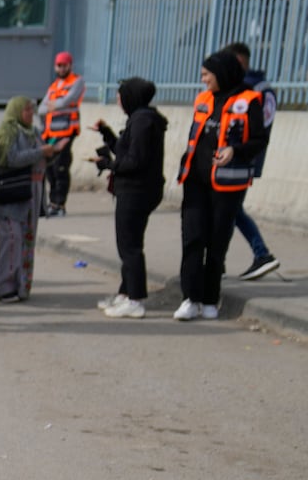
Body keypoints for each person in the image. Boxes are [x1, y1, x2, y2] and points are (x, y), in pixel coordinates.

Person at [172, 50, 266, 321]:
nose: (203, 81)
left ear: (222, 73)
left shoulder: (249, 100)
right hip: (195, 181)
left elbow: (259, 140)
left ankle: (211, 299)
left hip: (227, 184)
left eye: (206, 75)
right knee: (192, 239)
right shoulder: (203, 99)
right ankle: (190, 298)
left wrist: (235, 151)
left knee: (216, 242)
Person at [91, 77, 168, 319]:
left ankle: (135, 300)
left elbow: (135, 161)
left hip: (137, 190)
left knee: (130, 246)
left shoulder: (143, 121)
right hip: (134, 189)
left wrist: (109, 164)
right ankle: (125, 293)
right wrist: (107, 135)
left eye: (120, 94)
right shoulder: (139, 119)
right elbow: (126, 151)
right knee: (127, 243)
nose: (118, 99)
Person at [219, 42, 281, 281]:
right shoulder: (245, 88)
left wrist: (238, 150)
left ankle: (261, 253)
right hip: (235, 159)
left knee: (231, 210)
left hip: (242, 160)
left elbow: (257, 130)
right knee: (229, 210)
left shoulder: (255, 91)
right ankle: (219, 261)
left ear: (240, 62)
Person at [0, 96, 55, 302]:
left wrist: (51, 152)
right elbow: (11, 158)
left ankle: (22, 285)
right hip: (9, 191)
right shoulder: (7, 132)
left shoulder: (33, 131)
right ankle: (4, 286)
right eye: (26, 110)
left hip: (31, 192)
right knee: (12, 238)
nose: (30, 114)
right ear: (16, 111)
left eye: (31, 110)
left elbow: (40, 157)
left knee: (27, 239)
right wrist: (39, 152)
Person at [38, 51, 84, 217]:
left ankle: (60, 204)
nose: (61, 68)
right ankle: (52, 202)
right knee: (49, 169)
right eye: (59, 65)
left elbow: (67, 101)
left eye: (64, 65)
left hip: (66, 132)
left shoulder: (76, 81)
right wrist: (55, 105)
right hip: (50, 134)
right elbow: (41, 108)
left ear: (70, 66)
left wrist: (54, 105)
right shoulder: (54, 86)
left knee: (61, 168)